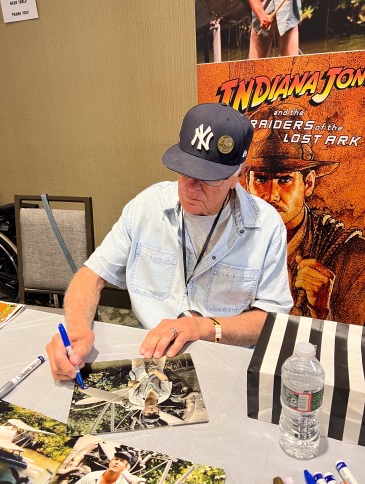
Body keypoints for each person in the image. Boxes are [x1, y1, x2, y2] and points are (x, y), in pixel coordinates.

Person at [46, 102, 292, 382]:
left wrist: (204, 328)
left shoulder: (265, 226)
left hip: (226, 361)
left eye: (208, 179)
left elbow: (271, 318)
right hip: (150, 356)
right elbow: (92, 275)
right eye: (185, 171)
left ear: (239, 175)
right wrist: (77, 331)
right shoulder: (147, 207)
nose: (191, 187)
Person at [246, 106, 365, 325]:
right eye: (261, 179)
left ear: (308, 184)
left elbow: (358, 340)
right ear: (247, 183)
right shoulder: (230, 240)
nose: (271, 195)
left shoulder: (351, 256)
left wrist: (321, 312)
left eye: (284, 180)